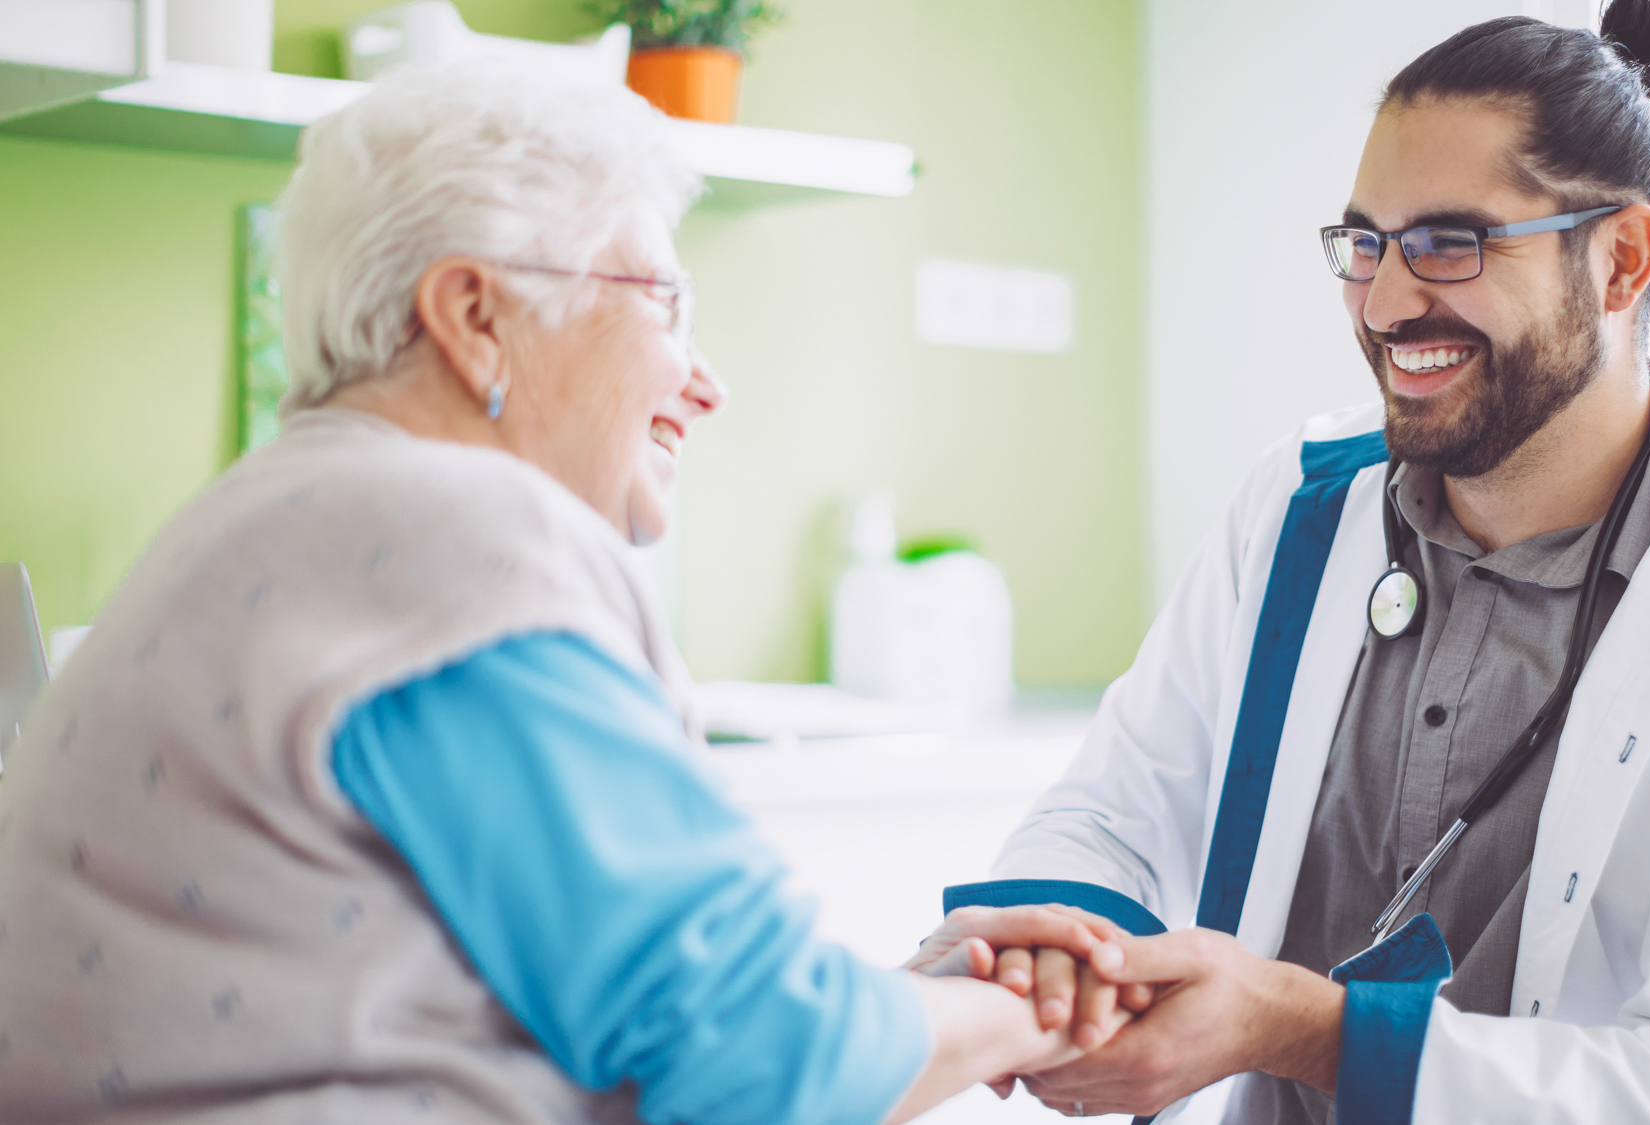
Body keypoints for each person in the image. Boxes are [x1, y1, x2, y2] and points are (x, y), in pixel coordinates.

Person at [0, 63, 1137, 1124]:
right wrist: (1027, 1014)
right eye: (664, 303)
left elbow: (667, 1033)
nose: (707, 383)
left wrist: (916, 992)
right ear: (474, 316)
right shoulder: (448, 531)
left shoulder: (286, 517)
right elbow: (754, 1065)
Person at [929, 3, 1650, 1123]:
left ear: (1621, 261)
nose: (1386, 303)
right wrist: (1048, 951)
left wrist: (1307, 1032)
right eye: (1365, 244)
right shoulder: (1298, 506)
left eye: (1450, 243)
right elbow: (1118, 808)